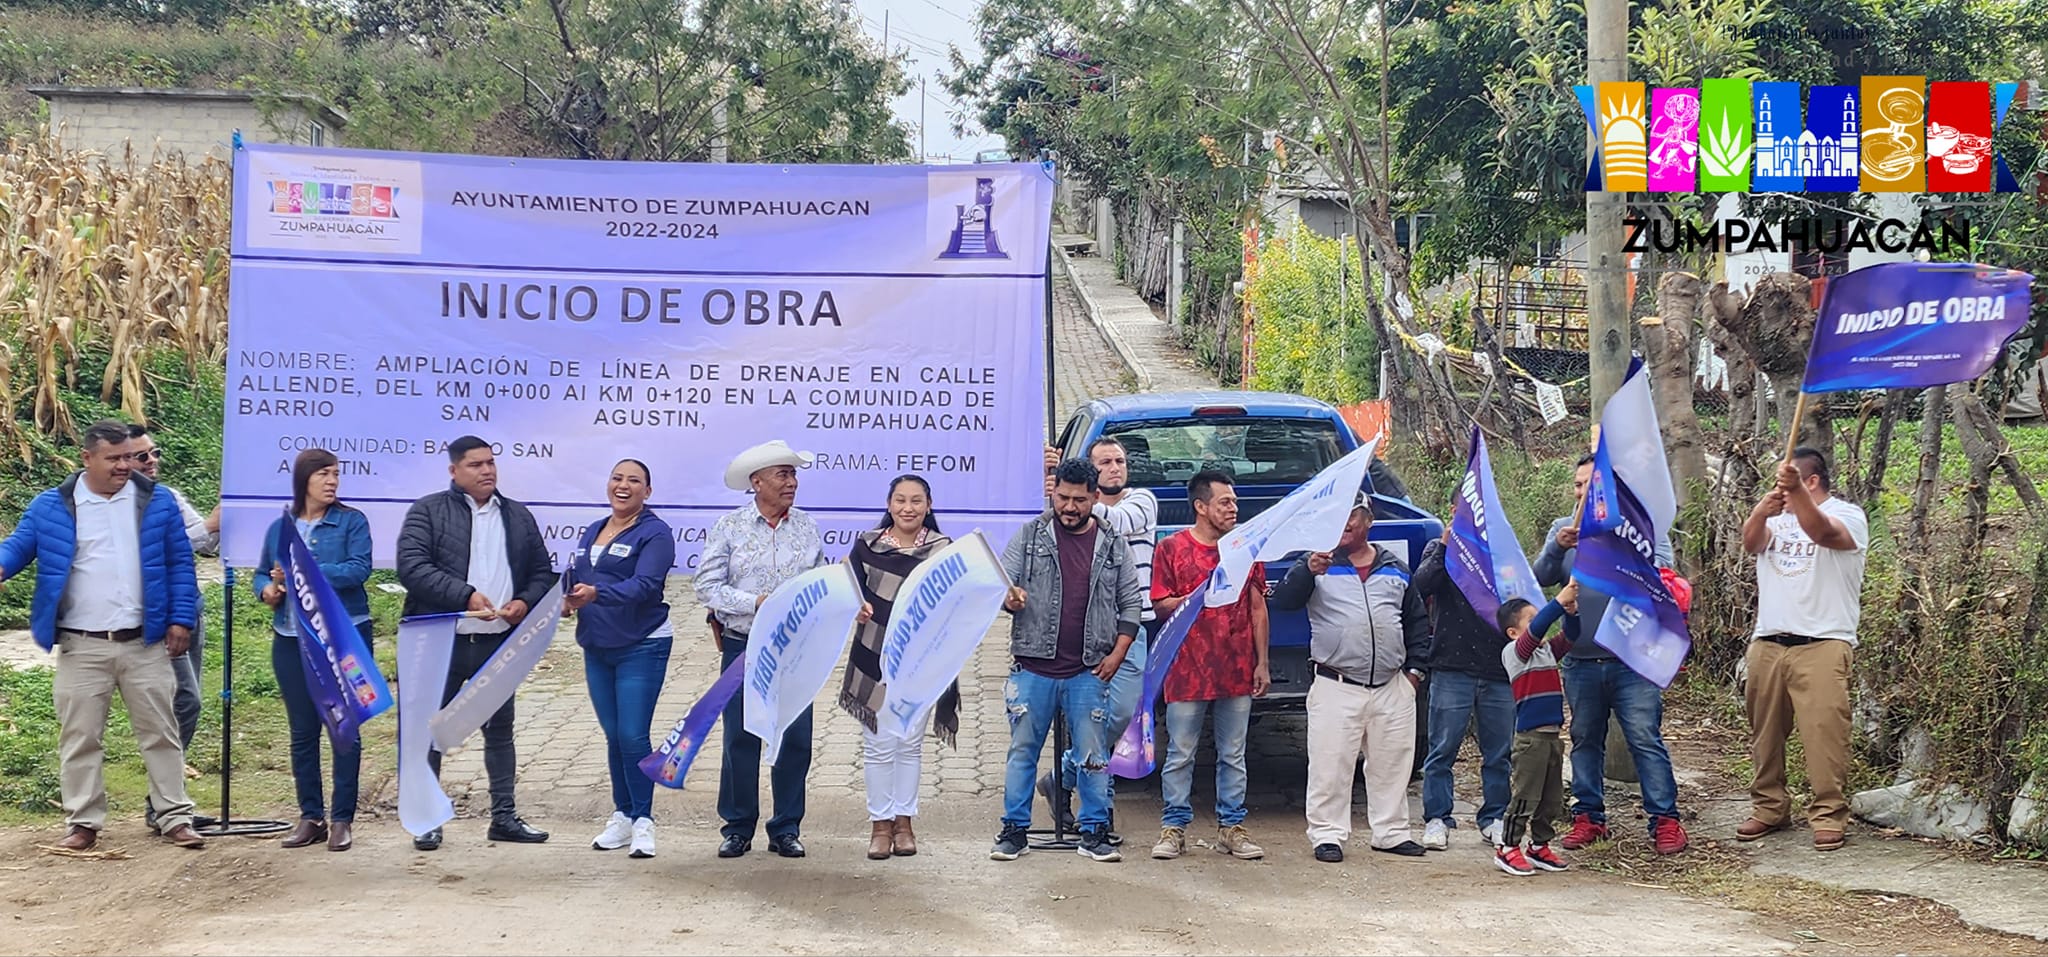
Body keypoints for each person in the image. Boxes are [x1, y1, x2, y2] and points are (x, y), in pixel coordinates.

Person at [0, 419, 205, 850]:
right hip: (82, 644)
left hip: (144, 643)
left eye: (130, 456)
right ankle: (83, 822)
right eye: (114, 458)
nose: (125, 466)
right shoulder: (51, 506)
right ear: (87, 458)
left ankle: (173, 816)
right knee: (80, 736)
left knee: (161, 732)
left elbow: (180, 566)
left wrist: (180, 620)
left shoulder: (158, 502)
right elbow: (16, 548)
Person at [396, 435, 558, 851]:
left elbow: (542, 572)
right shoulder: (427, 512)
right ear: (454, 471)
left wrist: (524, 601)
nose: (487, 471)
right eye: (476, 465)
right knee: (429, 731)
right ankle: (427, 818)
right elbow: (412, 568)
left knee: (500, 730)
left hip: (497, 643)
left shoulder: (518, 516)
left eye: (490, 463)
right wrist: (465, 596)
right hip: (440, 643)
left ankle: (504, 817)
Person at [1533, 453, 1689, 856]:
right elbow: (1539, 578)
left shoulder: (1640, 527)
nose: (1582, 491)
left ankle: (1665, 821)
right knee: (1585, 739)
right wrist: (1557, 546)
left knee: (1644, 737)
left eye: (1591, 484)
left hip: (1633, 658)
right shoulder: (1562, 528)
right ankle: (1589, 817)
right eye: (1578, 485)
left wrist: (1618, 543)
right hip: (1580, 658)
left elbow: (1663, 577)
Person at [990, 457, 1141, 864]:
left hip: (1089, 669)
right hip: (1033, 667)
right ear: (1052, 494)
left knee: (1093, 755)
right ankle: (1014, 829)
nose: (1069, 507)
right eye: (1062, 498)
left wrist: (1117, 655)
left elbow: (1131, 605)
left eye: (1079, 499)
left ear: (1095, 497)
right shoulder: (1029, 536)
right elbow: (1004, 585)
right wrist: (1011, 597)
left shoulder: (1114, 543)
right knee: (1023, 751)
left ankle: (1094, 831)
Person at [1271, 491, 1428, 863]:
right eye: (1338, 516)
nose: (1345, 523)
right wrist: (1306, 570)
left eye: (1352, 515)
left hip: (1393, 685)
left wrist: (1415, 674)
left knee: (1393, 762)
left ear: (1368, 522)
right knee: (1330, 763)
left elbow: (1417, 621)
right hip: (1336, 683)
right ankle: (1327, 834)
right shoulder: (1316, 563)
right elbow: (1285, 601)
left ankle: (1390, 832)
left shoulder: (1395, 567)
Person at [698, 439, 829, 860]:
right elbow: (706, 586)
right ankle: (737, 826)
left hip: (794, 650)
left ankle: (786, 827)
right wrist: (753, 603)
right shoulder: (729, 528)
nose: (792, 482)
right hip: (743, 646)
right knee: (740, 737)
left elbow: (820, 580)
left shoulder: (807, 527)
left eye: (793, 475)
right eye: (783, 474)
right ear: (757, 482)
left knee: (794, 738)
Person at [1738, 448, 1868, 852]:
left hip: (1824, 642)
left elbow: (1824, 535)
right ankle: (1770, 806)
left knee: (1824, 735)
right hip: (1769, 641)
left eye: (1788, 483)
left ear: (1811, 481)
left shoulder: (1848, 516)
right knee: (1765, 733)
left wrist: (1798, 497)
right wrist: (1761, 511)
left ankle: (1829, 814)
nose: (1781, 491)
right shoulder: (1777, 517)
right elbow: (1751, 543)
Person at [255, 448, 373, 852]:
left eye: (336, 475)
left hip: (341, 639)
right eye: (324, 474)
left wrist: (306, 571)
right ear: (304, 479)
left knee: (343, 729)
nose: (332, 482)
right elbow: (260, 576)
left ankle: (342, 818)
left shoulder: (351, 522)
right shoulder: (281, 527)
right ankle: (310, 816)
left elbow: (359, 569)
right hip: (291, 639)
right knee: (302, 732)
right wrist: (268, 590)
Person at [1038, 437, 1159, 830]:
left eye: (1120, 460)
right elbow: (1048, 527)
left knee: (1119, 714)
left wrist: (1066, 497)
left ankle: (1061, 777)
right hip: (1081, 629)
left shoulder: (1142, 500)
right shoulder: (1074, 507)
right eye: (1104, 462)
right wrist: (1045, 485)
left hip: (1130, 626)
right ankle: (1100, 815)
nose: (1115, 467)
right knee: (1091, 718)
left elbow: (1110, 522)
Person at [1150, 469, 1271, 862]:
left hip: (1236, 668)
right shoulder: (1171, 548)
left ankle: (1232, 827)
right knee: (1181, 752)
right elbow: (1160, 605)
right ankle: (1174, 828)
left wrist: (1262, 663)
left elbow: (1257, 607)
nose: (1233, 508)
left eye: (1234, 501)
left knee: (1233, 752)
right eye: (1225, 502)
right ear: (1201, 507)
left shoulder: (1244, 548)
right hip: (1187, 669)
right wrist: (1199, 595)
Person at [565, 459, 675, 860]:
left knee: (633, 735)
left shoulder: (655, 533)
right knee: (614, 735)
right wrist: (565, 600)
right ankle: (623, 815)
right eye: (617, 478)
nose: (623, 486)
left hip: (642, 643)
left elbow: (645, 585)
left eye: (634, 481)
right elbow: (575, 574)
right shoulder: (593, 530)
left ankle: (645, 821)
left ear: (648, 491)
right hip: (597, 645)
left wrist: (595, 595)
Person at [839, 474, 952, 860]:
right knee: (879, 746)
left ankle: (905, 823)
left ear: (929, 506)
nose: (908, 508)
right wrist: (855, 607)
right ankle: (879, 825)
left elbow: (955, 600)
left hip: (920, 662)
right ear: (889, 505)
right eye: (901, 500)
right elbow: (847, 592)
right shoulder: (867, 547)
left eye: (916, 501)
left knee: (909, 744)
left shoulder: (943, 550)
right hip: (875, 658)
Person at [127, 425, 220, 829]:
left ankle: (164, 799)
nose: (152, 461)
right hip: (157, 618)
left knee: (184, 702)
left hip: (190, 610)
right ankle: (163, 800)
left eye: (154, 453)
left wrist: (222, 520)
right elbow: (158, 551)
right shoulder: (119, 504)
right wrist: (210, 527)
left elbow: (207, 545)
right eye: (142, 456)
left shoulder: (170, 496)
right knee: (184, 701)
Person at [1414, 524, 1515, 851]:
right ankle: (1437, 818)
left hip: (1498, 667)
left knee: (1498, 753)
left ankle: (1495, 817)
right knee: (1442, 749)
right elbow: (1420, 586)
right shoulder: (1439, 549)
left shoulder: (1503, 552)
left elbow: (1525, 593)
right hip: (1450, 666)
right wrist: (1445, 545)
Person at [1495, 583, 1582, 876]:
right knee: (1525, 795)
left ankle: (1539, 846)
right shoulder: (1514, 653)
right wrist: (1558, 601)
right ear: (1513, 632)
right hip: (1530, 739)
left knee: (1551, 797)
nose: (1537, 624)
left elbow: (1571, 636)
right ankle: (1508, 847)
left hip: (1552, 736)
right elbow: (1537, 631)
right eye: (1529, 620)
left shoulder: (1545, 652)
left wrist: (1570, 612)